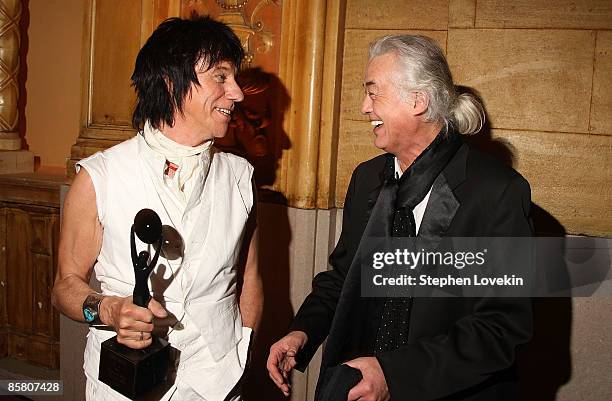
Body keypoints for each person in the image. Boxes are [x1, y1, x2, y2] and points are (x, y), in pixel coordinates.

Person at [267, 35, 533, 401]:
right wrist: (302, 332)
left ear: (418, 101)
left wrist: (393, 374)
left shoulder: (497, 192)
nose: (364, 107)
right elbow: (345, 275)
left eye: (373, 92)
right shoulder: (367, 178)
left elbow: (502, 327)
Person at [52, 16, 262, 401]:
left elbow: (249, 280)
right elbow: (65, 288)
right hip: (124, 383)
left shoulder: (240, 176)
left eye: (235, 78)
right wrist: (108, 310)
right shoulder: (101, 177)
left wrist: (242, 352)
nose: (238, 93)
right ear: (171, 81)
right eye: (221, 76)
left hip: (218, 378)